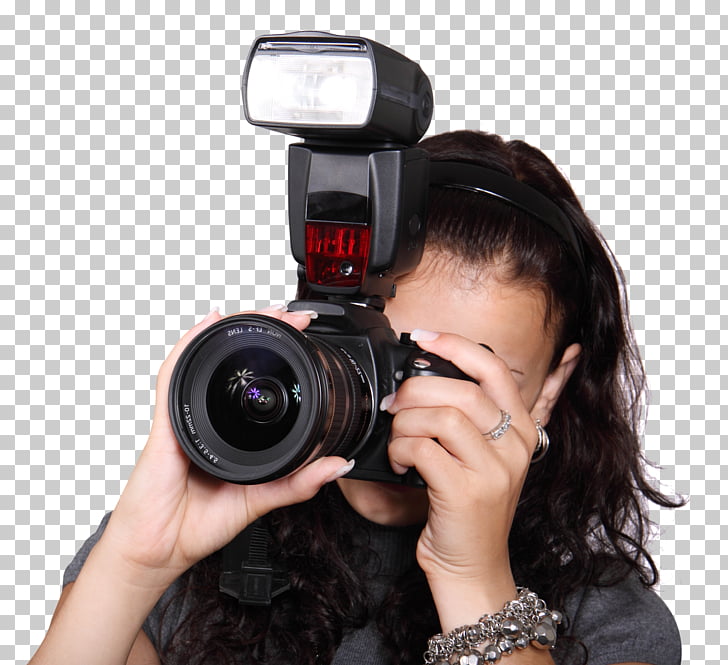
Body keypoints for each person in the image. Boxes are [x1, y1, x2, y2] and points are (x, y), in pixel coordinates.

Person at [30, 130, 682, 665]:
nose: (405, 403)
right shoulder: (191, 549)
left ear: (549, 389)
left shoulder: (611, 619)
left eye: (462, 372)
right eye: (379, 353)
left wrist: (473, 578)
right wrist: (133, 563)